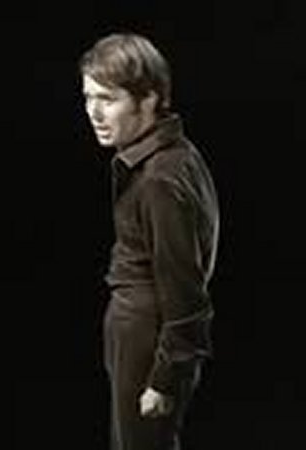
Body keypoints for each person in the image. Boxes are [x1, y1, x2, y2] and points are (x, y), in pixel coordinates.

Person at [80, 32, 220, 450]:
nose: (94, 112)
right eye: (88, 98)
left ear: (150, 99)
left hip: (147, 336)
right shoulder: (174, 155)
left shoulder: (160, 177)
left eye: (108, 99)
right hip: (140, 330)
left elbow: (187, 292)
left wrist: (165, 377)